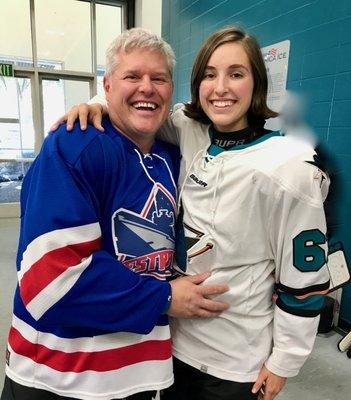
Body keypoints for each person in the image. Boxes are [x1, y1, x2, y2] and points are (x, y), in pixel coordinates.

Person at [51, 26, 331, 400]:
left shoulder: (287, 167)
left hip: (233, 361)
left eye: (236, 74)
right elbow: (137, 103)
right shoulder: (190, 128)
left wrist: (284, 362)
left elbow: (305, 282)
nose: (221, 88)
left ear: (257, 83)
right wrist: (94, 104)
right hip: (169, 343)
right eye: (209, 75)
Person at [0, 28, 231, 400]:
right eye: (132, 76)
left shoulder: (171, 156)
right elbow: (48, 282)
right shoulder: (74, 146)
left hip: (137, 376)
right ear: (106, 86)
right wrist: (165, 298)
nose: (147, 87)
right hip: (59, 379)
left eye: (159, 78)